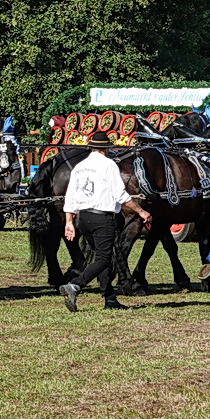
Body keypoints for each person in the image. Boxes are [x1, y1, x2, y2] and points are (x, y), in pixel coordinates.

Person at [59, 131, 153, 312]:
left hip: (84, 218)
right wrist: (141, 211)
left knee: (101, 258)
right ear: (106, 148)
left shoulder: (79, 167)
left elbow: (70, 195)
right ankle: (75, 286)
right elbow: (120, 194)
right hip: (102, 217)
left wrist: (69, 222)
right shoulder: (109, 165)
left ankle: (110, 298)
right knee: (105, 259)